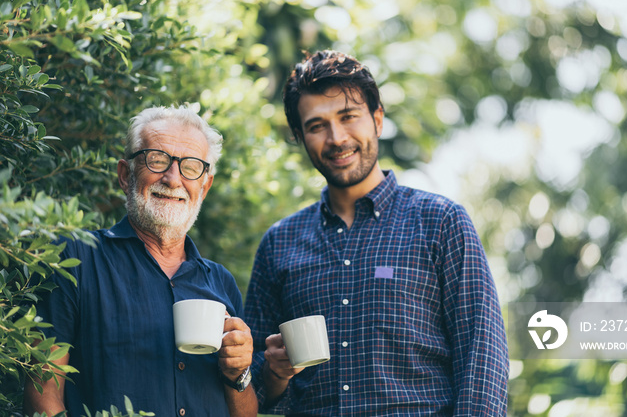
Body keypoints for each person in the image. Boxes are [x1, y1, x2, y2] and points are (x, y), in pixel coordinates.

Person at [244, 50, 509, 416]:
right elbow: (250, 387)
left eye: (348, 117)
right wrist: (274, 373)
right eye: (317, 125)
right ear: (301, 137)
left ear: (378, 119)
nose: (337, 138)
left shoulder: (440, 222)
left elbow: (483, 359)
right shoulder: (280, 243)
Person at [24, 106, 258, 417]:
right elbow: (43, 393)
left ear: (204, 186)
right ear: (125, 174)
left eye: (190, 167)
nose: (173, 179)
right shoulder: (73, 259)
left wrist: (238, 374)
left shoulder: (221, 282)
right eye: (157, 160)